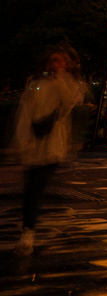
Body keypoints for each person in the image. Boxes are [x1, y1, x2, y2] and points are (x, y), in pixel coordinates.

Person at [11, 44, 88, 255]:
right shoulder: (35, 83)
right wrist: (22, 142)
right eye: (53, 60)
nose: (57, 64)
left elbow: (69, 102)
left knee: (35, 190)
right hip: (32, 144)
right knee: (30, 192)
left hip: (52, 145)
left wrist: (60, 78)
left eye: (61, 61)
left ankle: (28, 235)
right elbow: (25, 113)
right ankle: (27, 232)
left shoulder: (68, 84)